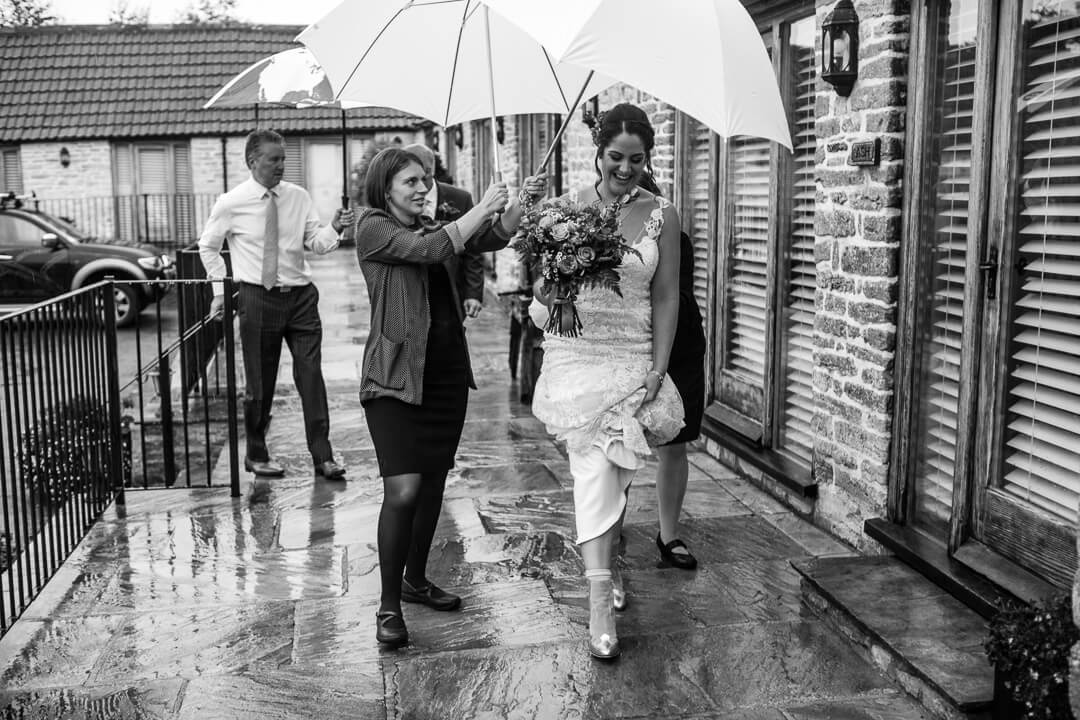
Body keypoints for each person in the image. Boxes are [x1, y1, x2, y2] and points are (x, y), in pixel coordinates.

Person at [354, 147, 546, 647]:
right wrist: (479, 208)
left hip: (443, 376)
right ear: (385, 190)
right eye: (411, 183)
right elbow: (429, 249)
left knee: (434, 484)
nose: (423, 189)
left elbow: (488, 237)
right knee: (403, 490)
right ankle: (388, 605)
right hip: (395, 379)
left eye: (426, 180)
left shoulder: (432, 220)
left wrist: (515, 208)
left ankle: (416, 580)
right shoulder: (373, 228)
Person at [528, 103, 684, 660]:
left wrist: (657, 369)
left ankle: (609, 558)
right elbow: (544, 293)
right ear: (598, 152)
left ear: (649, 158)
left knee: (617, 470)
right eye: (615, 157)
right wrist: (548, 289)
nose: (625, 168)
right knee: (594, 466)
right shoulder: (565, 209)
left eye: (636, 159)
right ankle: (597, 599)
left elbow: (666, 295)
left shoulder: (663, 212)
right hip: (577, 353)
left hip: (632, 355)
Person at [199, 129, 353, 480]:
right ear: (253, 161)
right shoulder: (231, 202)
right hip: (257, 298)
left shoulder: (298, 197)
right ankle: (256, 453)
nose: (282, 165)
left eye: (284, 158)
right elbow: (208, 246)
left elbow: (317, 243)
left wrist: (335, 227)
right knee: (260, 385)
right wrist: (220, 291)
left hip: (301, 298)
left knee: (311, 376)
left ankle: (323, 456)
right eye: (274, 159)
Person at [653, 227, 706, 570]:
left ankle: (669, 535)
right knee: (616, 446)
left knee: (675, 442)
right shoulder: (592, 235)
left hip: (677, 339)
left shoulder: (674, 236)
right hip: (620, 342)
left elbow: (672, 293)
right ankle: (609, 531)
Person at [403, 143, 486, 319]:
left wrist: (473, 293)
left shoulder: (460, 198)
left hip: (451, 291)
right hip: (413, 294)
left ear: (430, 168)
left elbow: (473, 249)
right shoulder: (400, 199)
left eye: (424, 175)